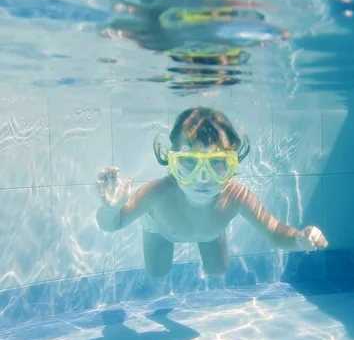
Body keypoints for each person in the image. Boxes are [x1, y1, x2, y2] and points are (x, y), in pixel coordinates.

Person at [95, 106, 328, 277]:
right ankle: (199, 230)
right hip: (161, 229)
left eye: (217, 162)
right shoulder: (157, 193)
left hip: (210, 229)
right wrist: (111, 209)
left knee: (218, 270)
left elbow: (274, 231)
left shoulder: (237, 196)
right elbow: (112, 224)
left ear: (233, 164)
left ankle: (211, 231)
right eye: (189, 163)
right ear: (171, 161)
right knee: (158, 272)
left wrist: (300, 239)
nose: (203, 178)